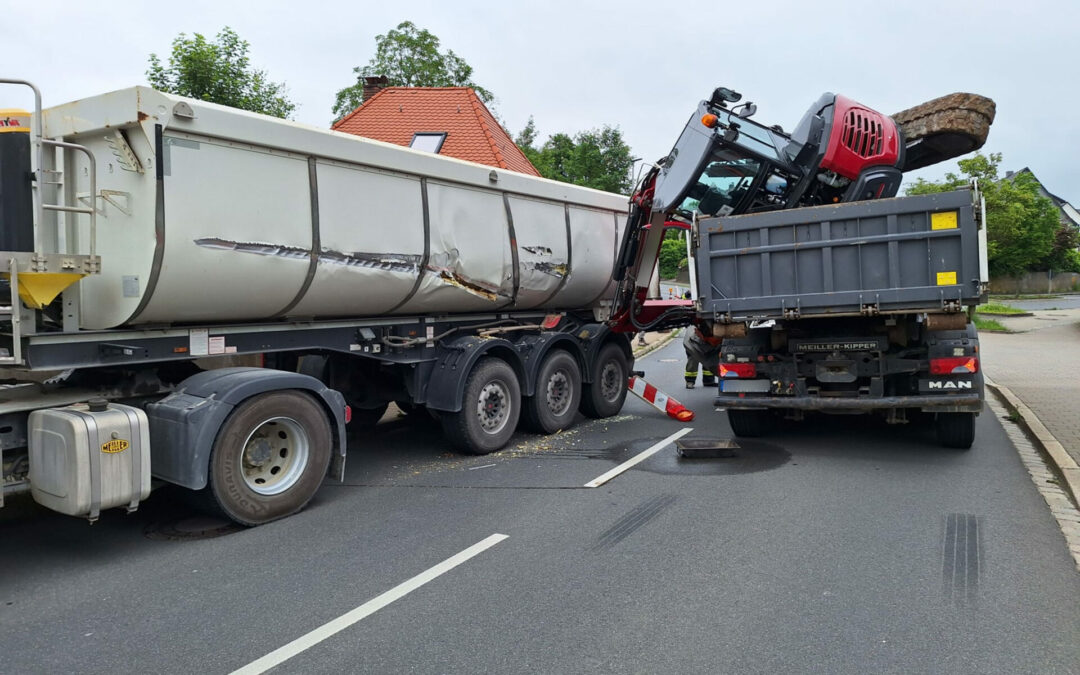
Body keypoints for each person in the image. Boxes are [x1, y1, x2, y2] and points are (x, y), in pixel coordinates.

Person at [683, 324, 720, 389]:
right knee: (693, 361)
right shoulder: (694, 332)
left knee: (710, 359)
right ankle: (690, 381)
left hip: (707, 342)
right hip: (695, 342)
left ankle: (709, 381)